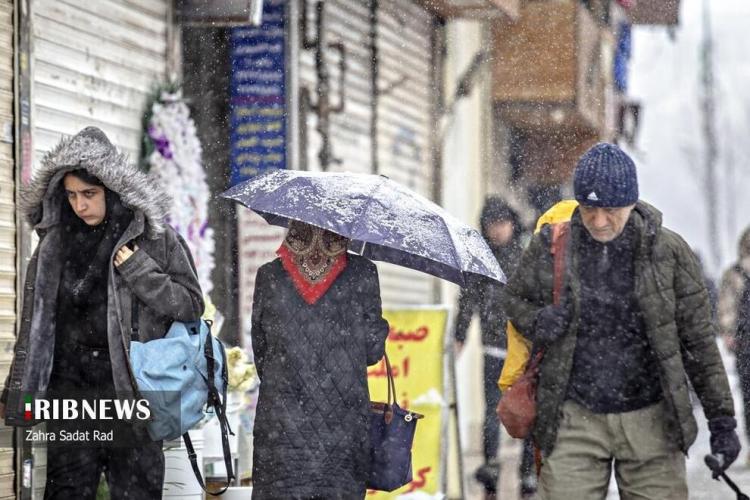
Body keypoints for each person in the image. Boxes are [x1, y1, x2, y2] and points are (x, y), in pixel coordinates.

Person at [504, 143, 739, 499]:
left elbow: (698, 343)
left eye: (610, 210)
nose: (598, 221)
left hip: (652, 420)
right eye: (588, 209)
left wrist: (722, 421)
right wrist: (540, 321)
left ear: (632, 201)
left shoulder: (670, 253)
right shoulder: (552, 245)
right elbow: (514, 300)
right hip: (574, 418)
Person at [0, 127, 204, 499]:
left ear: (112, 190)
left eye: (89, 194)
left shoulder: (154, 239)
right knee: (67, 491)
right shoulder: (53, 244)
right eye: (72, 195)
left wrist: (140, 270)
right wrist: (17, 393)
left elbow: (190, 305)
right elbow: (35, 327)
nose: (80, 205)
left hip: (131, 395)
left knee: (135, 492)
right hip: (71, 396)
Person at [250, 220, 389, 498]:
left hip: (280, 426)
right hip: (343, 425)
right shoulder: (363, 273)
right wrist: (379, 326)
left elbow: (261, 351)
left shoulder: (269, 276)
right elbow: (373, 352)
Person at [452, 197, 533, 498]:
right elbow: (468, 299)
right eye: (491, 226)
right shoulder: (480, 260)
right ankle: (491, 467)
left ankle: (528, 473)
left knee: (526, 412)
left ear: (512, 224)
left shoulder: (527, 256)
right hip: (494, 348)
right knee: (492, 412)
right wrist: (460, 336)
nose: (497, 231)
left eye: (501, 224)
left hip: (524, 348)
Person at [718, 227, 750, 464]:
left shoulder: (734, 273)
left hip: (745, 343)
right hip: (745, 342)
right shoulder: (735, 274)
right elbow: (727, 308)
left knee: (748, 396)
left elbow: (726, 309)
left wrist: (730, 333)